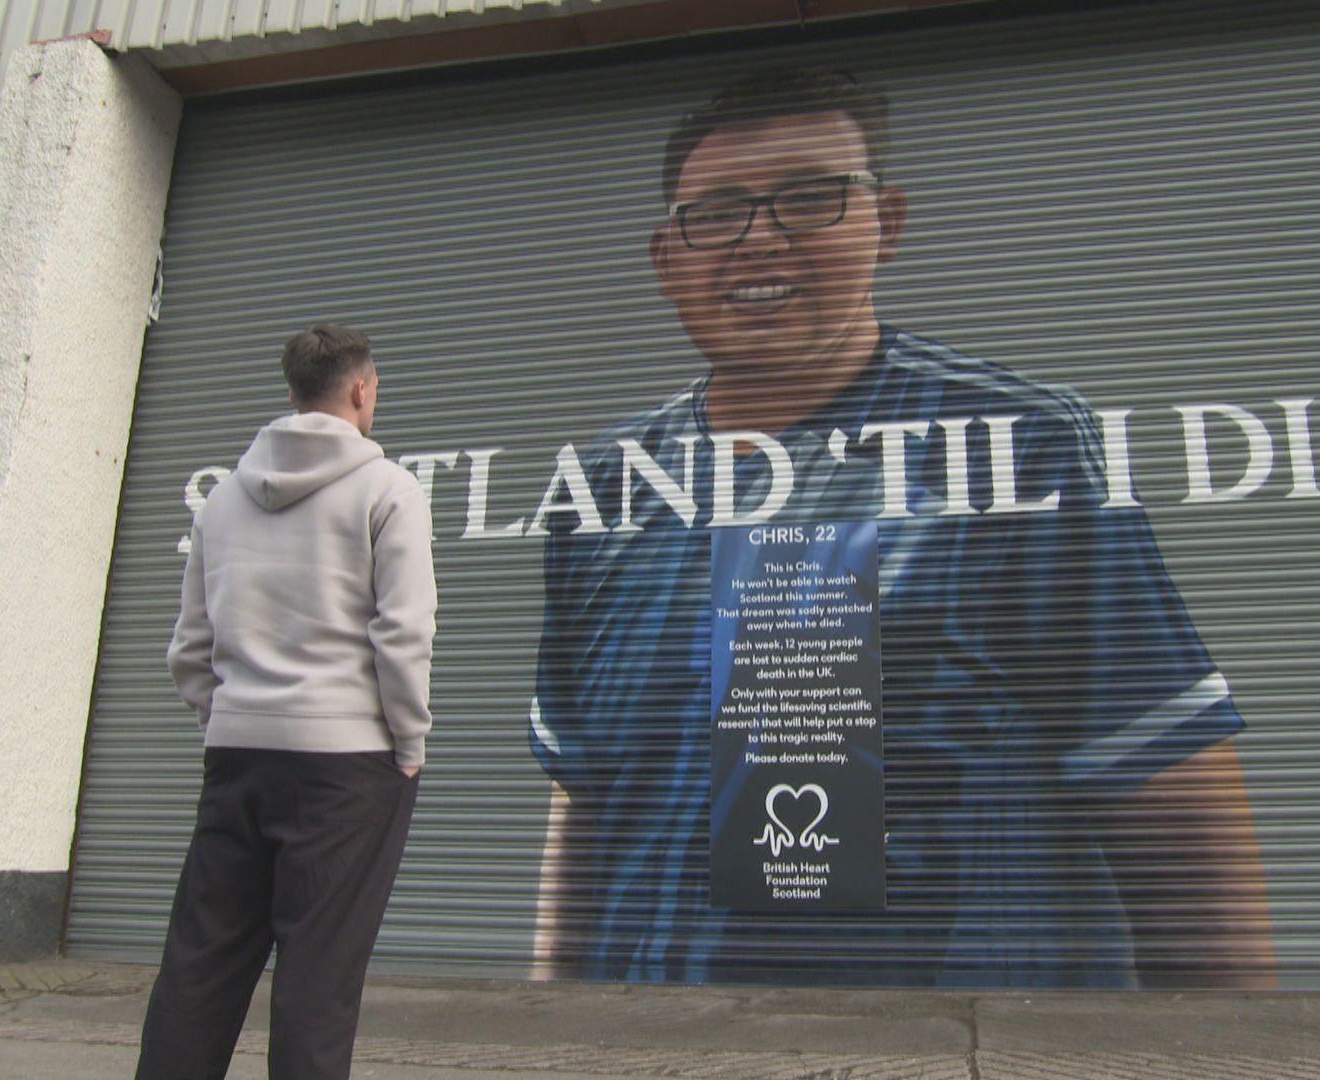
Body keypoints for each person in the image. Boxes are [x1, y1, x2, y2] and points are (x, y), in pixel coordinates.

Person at [529, 70, 1276, 988]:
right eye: (716, 213)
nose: (760, 237)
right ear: (665, 258)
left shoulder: (1013, 448)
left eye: (809, 199)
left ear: (888, 225)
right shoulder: (604, 486)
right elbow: (586, 805)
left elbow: (1178, 817)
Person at [136, 323, 438, 1078]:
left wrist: (229, 716)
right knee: (318, 977)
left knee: (200, 966)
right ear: (362, 391)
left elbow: (188, 648)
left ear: (293, 389)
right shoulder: (388, 490)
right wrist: (409, 744)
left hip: (238, 755)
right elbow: (402, 634)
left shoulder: (222, 503)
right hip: (349, 765)